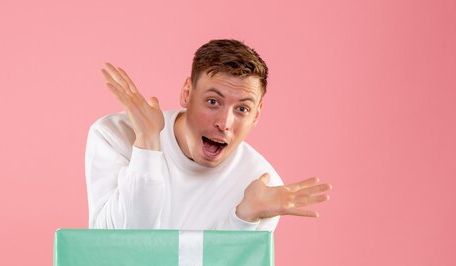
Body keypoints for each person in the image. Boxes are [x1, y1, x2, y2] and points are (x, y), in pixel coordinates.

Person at [85, 39, 331, 231]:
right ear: (187, 93)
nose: (224, 123)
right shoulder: (114, 136)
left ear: (256, 114)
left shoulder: (262, 187)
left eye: (242, 109)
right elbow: (112, 248)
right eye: (213, 101)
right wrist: (147, 145)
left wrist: (243, 219)